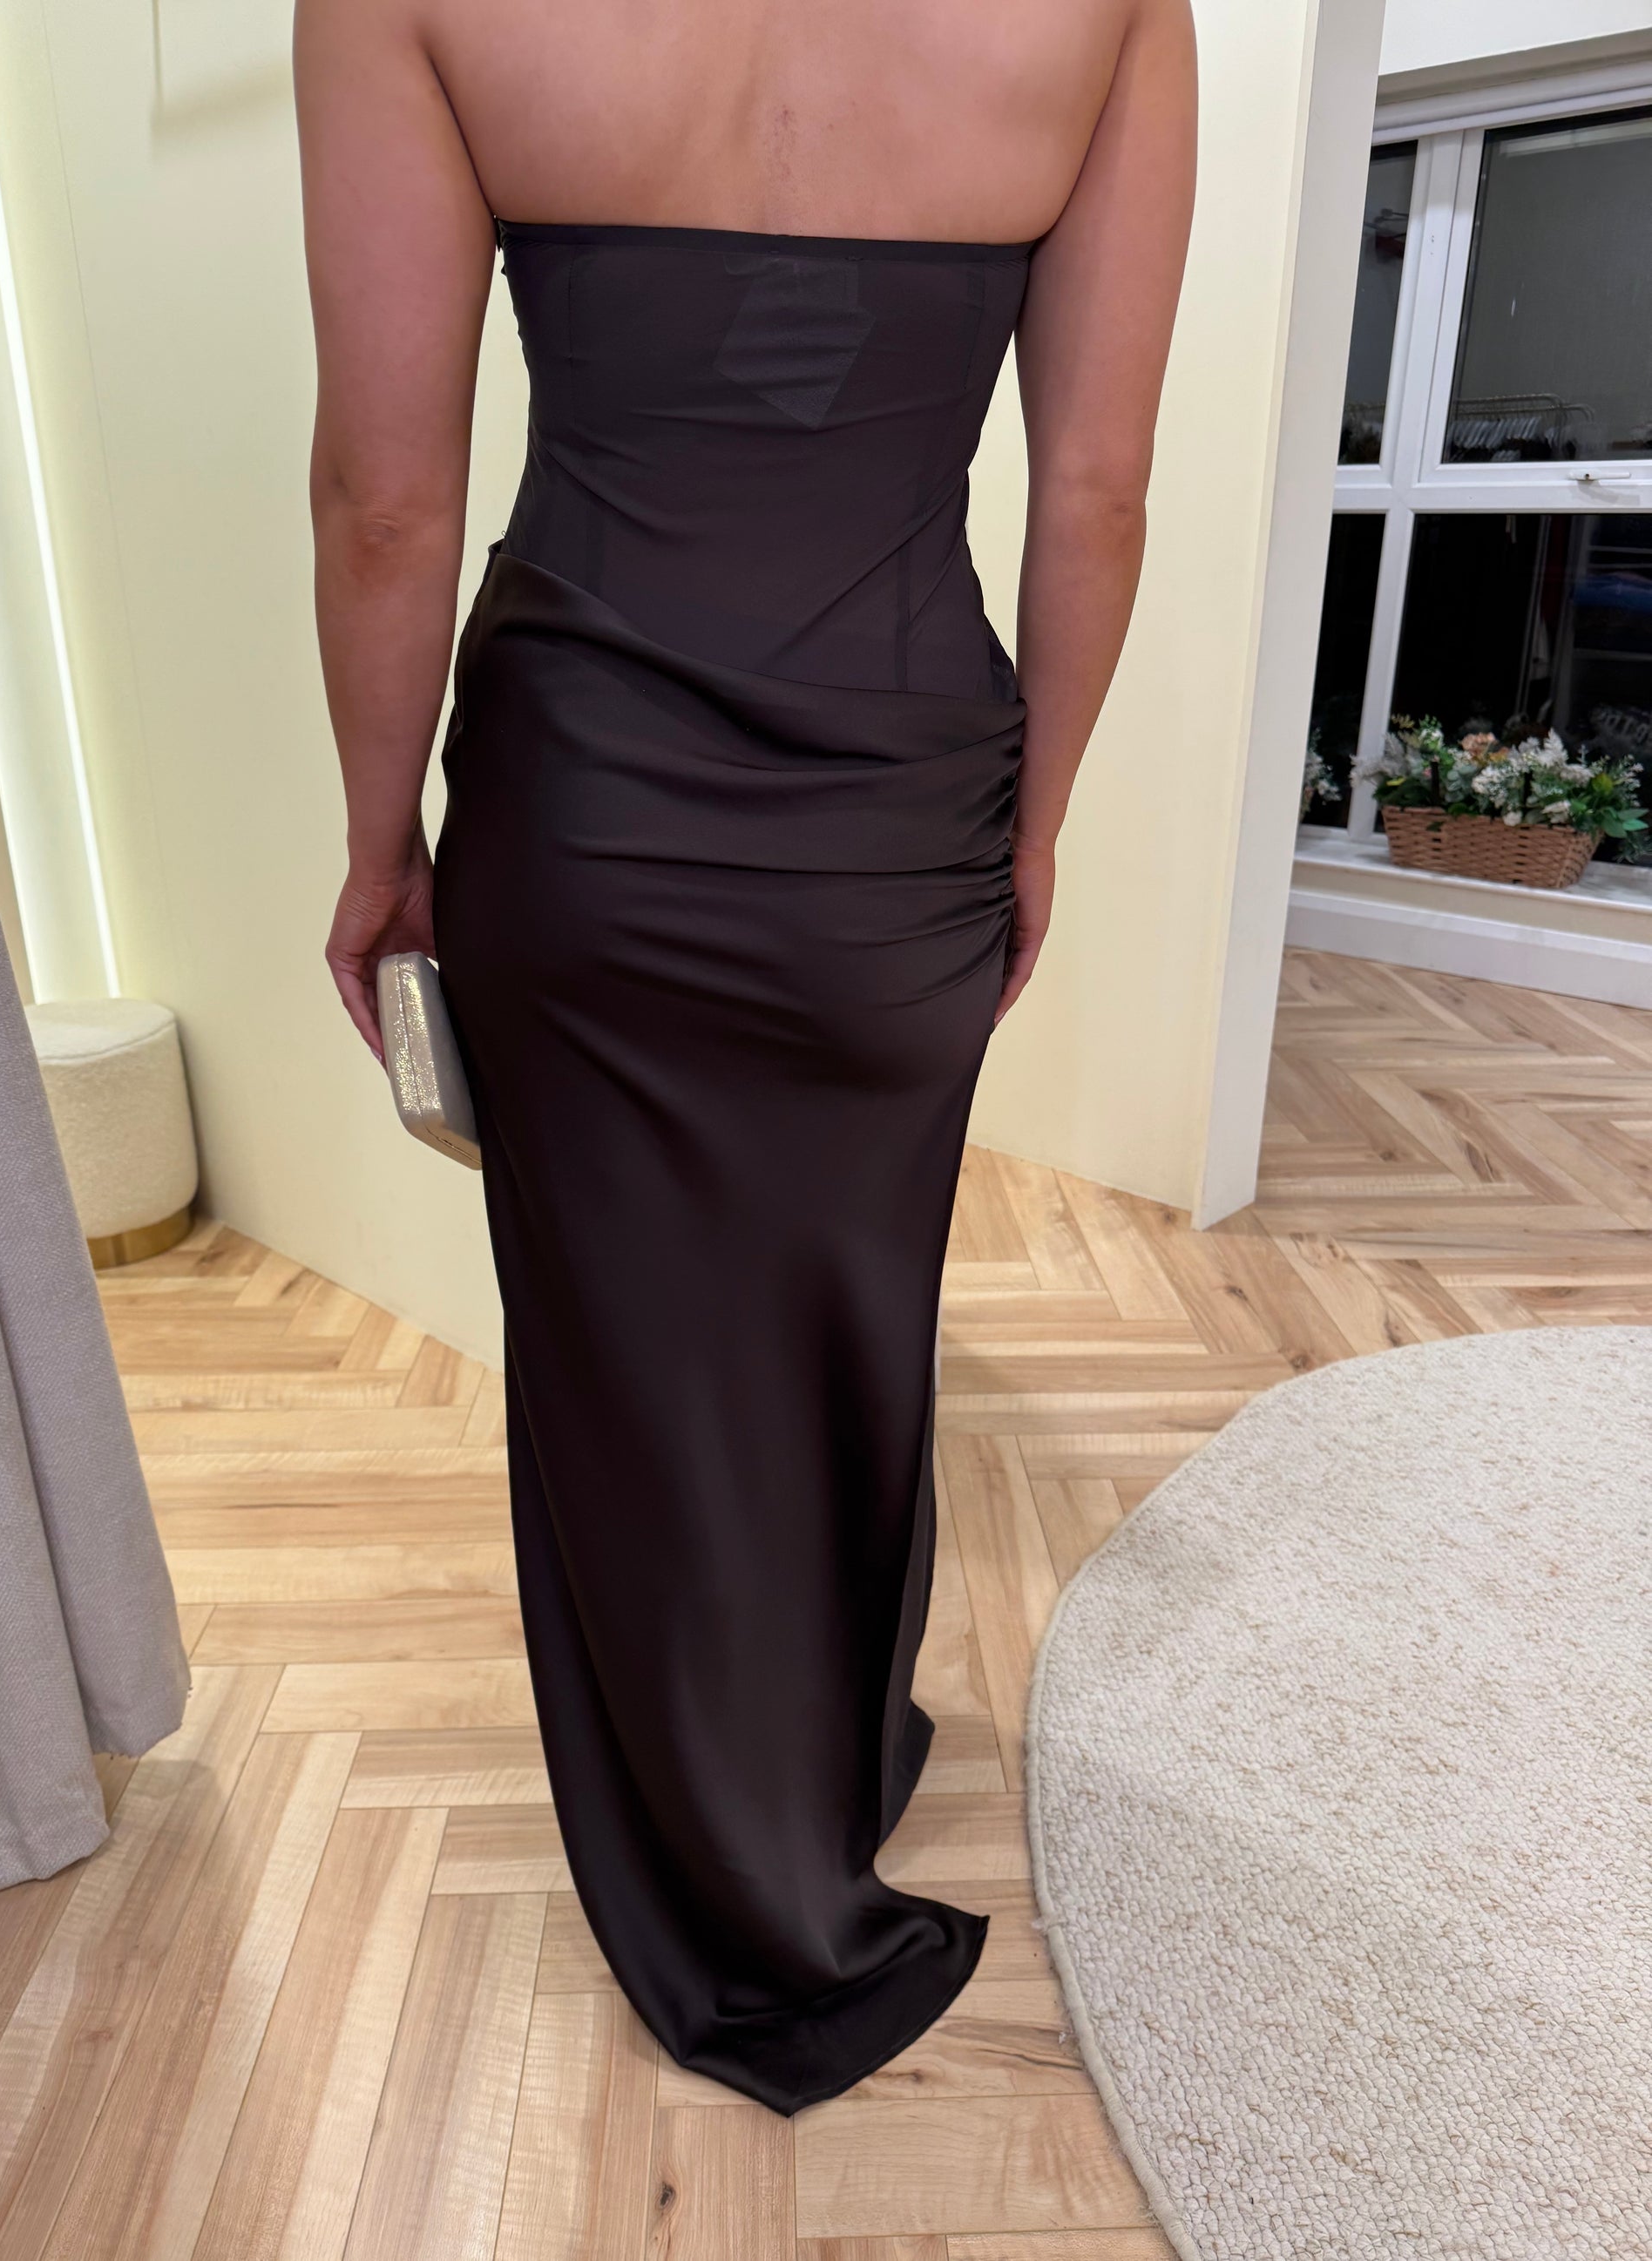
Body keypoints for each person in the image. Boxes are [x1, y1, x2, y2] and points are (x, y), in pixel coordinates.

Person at [295, 0, 1195, 2114]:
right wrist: (1035, 822)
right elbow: (1094, 487)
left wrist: (380, 840)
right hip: (899, 807)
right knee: (847, 1319)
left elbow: (384, 500)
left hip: (586, 807)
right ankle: (829, 1770)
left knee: (624, 1367)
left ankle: (731, 1890)